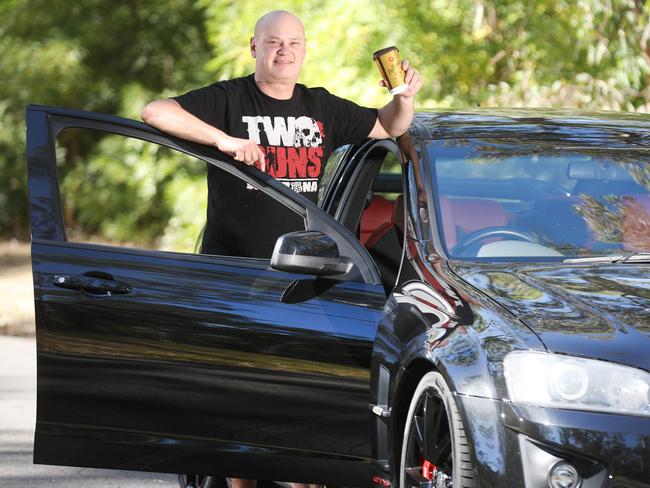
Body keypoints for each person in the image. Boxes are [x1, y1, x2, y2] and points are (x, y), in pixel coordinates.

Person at [141, 9, 421, 488]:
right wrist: (224, 141)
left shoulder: (321, 107)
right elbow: (154, 111)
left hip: (300, 276)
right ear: (255, 48)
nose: (284, 50)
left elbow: (387, 127)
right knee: (235, 397)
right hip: (232, 273)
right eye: (273, 43)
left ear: (304, 49)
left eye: (293, 42)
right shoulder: (229, 98)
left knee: (290, 400)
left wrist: (403, 95)